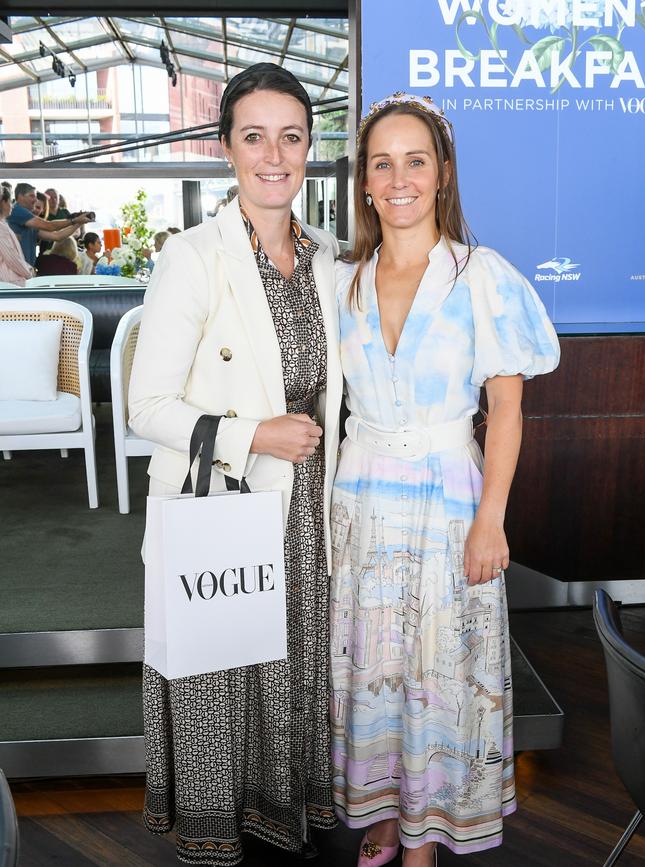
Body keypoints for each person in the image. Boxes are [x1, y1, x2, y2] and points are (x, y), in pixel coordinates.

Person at [330, 93, 560, 867]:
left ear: (442, 174)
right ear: (363, 180)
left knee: (441, 670)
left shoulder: (480, 275)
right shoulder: (345, 282)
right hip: (360, 500)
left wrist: (490, 518)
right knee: (376, 664)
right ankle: (386, 812)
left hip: (447, 500)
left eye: (415, 160)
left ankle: (426, 831)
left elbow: (507, 405)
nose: (398, 178)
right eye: (382, 162)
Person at [128, 62, 343, 865]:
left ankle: (284, 813)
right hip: (226, 505)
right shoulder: (194, 256)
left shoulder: (328, 257)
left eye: (291, 136)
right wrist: (253, 433)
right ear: (226, 149)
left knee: (287, 665)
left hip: (302, 510)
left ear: (309, 147)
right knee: (225, 671)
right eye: (254, 137)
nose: (274, 155)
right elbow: (145, 407)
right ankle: (222, 823)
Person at [7, 183, 89, 267]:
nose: (35, 200)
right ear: (20, 196)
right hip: (16, 269)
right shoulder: (17, 210)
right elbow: (50, 226)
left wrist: (79, 223)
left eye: (35, 196)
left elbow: (57, 236)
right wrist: (75, 220)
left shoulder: (30, 221)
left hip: (26, 269)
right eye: (32, 196)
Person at [0, 186, 32, 286]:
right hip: (10, 283)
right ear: (3, 203)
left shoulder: (4, 225)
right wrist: (28, 272)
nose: (12, 206)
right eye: (10, 202)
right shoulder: (1, 228)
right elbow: (11, 258)